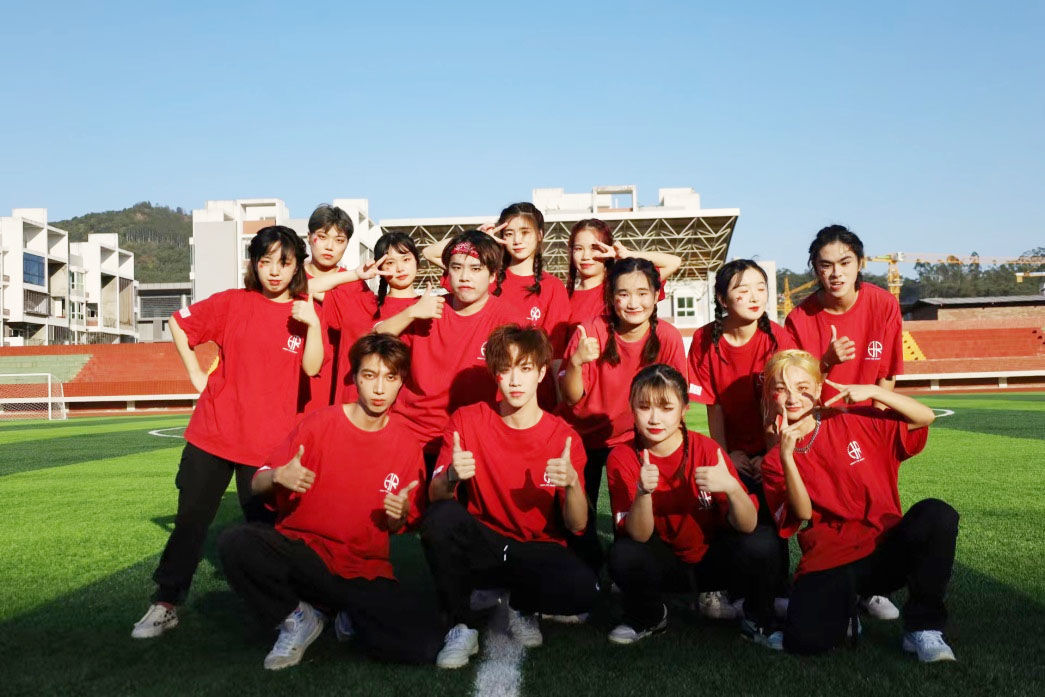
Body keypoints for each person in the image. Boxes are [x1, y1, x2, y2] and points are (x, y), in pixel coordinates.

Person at [132, 225, 323, 639]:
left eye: (284, 262)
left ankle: (286, 609)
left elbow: (312, 367)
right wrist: (195, 373)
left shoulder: (303, 312)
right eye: (266, 261)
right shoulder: (233, 302)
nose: (275, 270)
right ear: (254, 264)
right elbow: (178, 322)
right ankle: (166, 602)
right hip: (213, 433)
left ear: (296, 267)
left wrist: (313, 324)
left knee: (264, 531)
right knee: (191, 521)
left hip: (266, 445)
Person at [218, 334, 451, 670]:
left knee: (425, 645)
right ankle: (298, 617)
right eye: (370, 375)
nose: (379, 388)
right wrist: (278, 476)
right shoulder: (319, 424)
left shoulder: (406, 445)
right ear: (355, 377)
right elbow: (257, 482)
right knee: (236, 542)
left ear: (401, 382)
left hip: (362, 570)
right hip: (306, 556)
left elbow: (400, 525)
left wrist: (398, 515)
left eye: (390, 377)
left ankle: (344, 612)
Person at [759, 349, 959, 662]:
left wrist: (875, 392)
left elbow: (925, 417)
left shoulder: (855, 420)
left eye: (802, 387)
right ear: (770, 396)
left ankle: (923, 628)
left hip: (885, 547)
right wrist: (787, 456)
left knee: (937, 515)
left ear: (818, 388)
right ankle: (843, 608)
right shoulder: (774, 461)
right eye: (781, 389)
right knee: (804, 642)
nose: (793, 398)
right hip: (833, 557)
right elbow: (803, 513)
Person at [421, 324, 597, 668]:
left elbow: (577, 524)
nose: (515, 380)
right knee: (440, 517)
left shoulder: (564, 437)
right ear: (495, 374)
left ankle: (520, 603)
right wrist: (451, 475)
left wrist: (573, 483)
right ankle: (461, 625)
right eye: (506, 368)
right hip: (486, 544)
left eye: (525, 368)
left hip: (536, 549)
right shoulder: (467, 420)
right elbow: (434, 495)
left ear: (542, 373)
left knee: (584, 591)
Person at [606, 364, 782, 647]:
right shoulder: (622, 457)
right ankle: (649, 616)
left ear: (684, 410)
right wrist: (642, 493)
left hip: (711, 560)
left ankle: (757, 617)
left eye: (666, 407)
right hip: (662, 561)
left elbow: (748, 524)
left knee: (763, 542)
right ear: (631, 408)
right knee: (623, 553)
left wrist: (732, 488)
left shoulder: (708, 450)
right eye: (644, 407)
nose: (654, 418)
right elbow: (638, 535)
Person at [785, 224, 905, 619]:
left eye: (844, 262)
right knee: (826, 511)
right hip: (821, 429)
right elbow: (795, 382)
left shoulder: (883, 304)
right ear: (814, 268)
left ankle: (872, 588)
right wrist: (826, 361)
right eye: (825, 265)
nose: (835, 272)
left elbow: (887, 373)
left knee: (878, 504)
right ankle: (833, 580)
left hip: (871, 425)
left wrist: (880, 424)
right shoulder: (800, 317)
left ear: (860, 264)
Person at [561, 257, 687, 569]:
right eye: (623, 294)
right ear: (611, 297)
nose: (633, 303)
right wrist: (576, 362)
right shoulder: (591, 331)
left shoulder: (667, 336)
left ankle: (632, 570)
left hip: (634, 438)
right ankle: (587, 576)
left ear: (657, 295)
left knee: (636, 509)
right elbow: (571, 397)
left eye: (642, 293)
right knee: (579, 518)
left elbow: (675, 399)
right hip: (583, 435)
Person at [686, 259, 796, 618]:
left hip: (771, 445)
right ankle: (724, 588)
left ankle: (778, 587)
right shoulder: (704, 339)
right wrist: (725, 455)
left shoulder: (778, 338)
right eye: (742, 289)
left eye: (760, 288)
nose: (754, 296)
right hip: (731, 449)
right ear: (722, 298)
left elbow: (782, 402)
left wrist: (771, 455)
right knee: (728, 512)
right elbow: (714, 404)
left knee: (773, 515)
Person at [376, 229, 515, 471]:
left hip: (470, 439)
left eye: (476, 269)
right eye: (456, 267)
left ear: (493, 275)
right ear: (447, 272)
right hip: (412, 434)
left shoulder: (507, 321)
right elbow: (372, 341)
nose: (465, 277)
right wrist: (411, 313)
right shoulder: (425, 309)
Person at [310, 231, 425, 403]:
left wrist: (428, 252)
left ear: (417, 261)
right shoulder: (363, 302)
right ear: (379, 267)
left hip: (406, 410)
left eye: (406, 259)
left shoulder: (432, 307)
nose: (400, 268)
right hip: (356, 405)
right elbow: (305, 287)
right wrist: (355, 274)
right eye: (390, 262)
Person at [566, 218, 681, 328]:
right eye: (578, 249)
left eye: (594, 248)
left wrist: (628, 255)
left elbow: (674, 263)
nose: (586, 256)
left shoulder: (623, 285)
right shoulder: (564, 297)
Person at [299, 203, 353, 412]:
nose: (330, 247)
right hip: (291, 378)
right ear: (309, 237)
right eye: (322, 237)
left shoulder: (355, 284)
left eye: (339, 240)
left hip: (336, 384)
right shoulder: (287, 276)